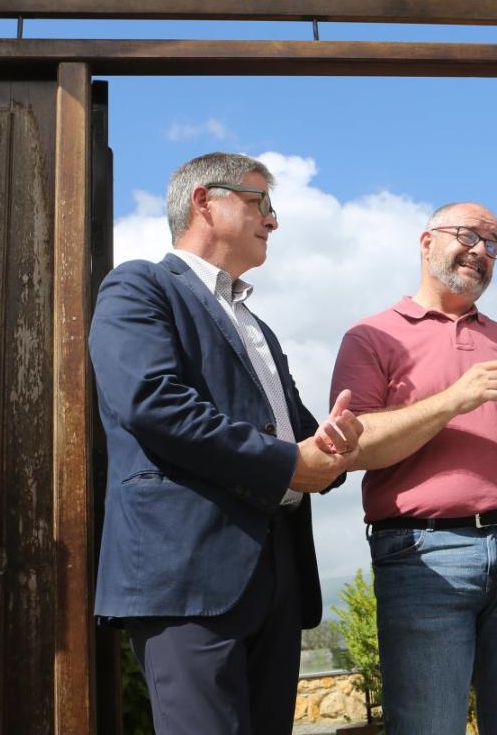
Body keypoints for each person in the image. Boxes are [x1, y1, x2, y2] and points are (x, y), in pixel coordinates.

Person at [88, 152, 363, 735]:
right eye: (261, 201)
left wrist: (333, 446)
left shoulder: (258, 327)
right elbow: (152, 403)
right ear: (204, 202)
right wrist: (291, 462)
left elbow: (300, 430)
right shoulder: (139, 286)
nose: (273, 220)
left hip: (277, 574)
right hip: (188, 576)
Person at [329, 202, 497, 735]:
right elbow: (353, 447)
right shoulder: (371, 337)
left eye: (493, 245)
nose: (481, 252)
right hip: (424, 554)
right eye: (468, 236)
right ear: (426, 243)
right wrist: (453, 400)